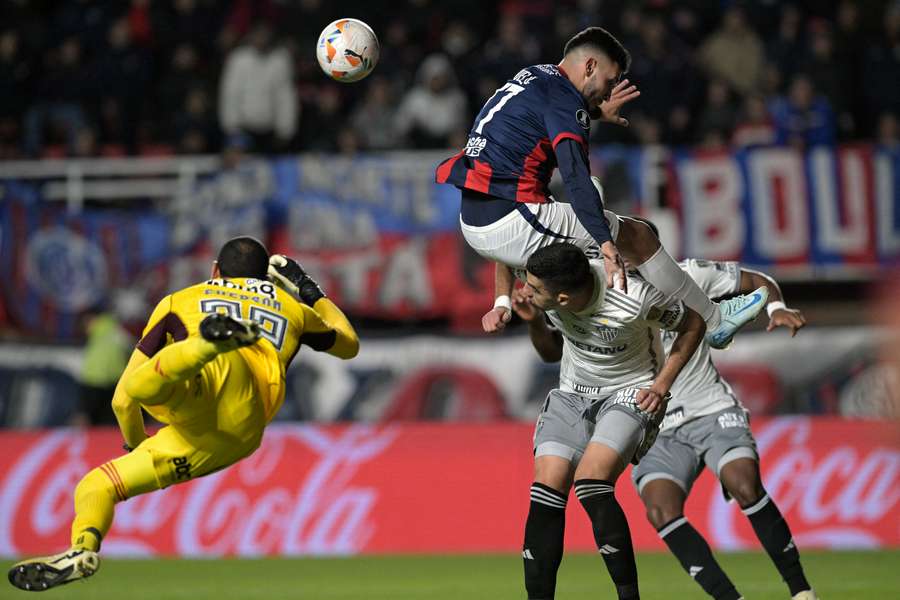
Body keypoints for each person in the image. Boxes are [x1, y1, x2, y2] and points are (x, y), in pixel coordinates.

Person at [8, 237, 359, 591]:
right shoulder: (291, 307)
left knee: (141, 387)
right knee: (98, 483)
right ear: (265, 278)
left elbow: (121, 401)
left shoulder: (181, 299)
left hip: (202, 393)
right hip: (240, 430)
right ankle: (82, 549)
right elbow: (348, 344)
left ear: (215, 271)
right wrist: (308, 290)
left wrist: (136, 444)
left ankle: (208, 344)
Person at [434, 26, 766, 350]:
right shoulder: (565, 102)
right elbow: (575, 177)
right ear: (590, 66)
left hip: (480, 220)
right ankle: (713, 319)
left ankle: (541, 300)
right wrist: (608, 245)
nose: (608, 93)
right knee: (636, 237)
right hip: (512, 221)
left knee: (591, 203)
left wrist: (591, 111)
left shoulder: (536, 76)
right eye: (609, 81)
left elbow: (546, 119)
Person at [627, 220, 817, 600]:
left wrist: (775, 307)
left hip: (710, 409)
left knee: (744, 483)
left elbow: (757, 281)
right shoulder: (608, 293)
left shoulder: (690, 275)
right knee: (661, 511)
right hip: (656, 428)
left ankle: (801, 592)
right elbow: (555, 346)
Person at [512, 242, 706, 600]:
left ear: (565, 298)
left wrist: (662, 385)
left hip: (631, 391)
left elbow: (693, 323)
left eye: (534, 288)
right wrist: (535, 322)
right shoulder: (550, 295)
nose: (525, 291)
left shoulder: (633, 298)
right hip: (572, 393)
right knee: (546, 487)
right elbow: (551, 352)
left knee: (591, 481)